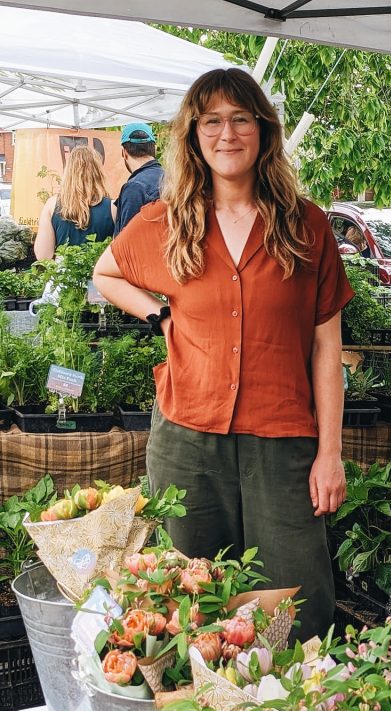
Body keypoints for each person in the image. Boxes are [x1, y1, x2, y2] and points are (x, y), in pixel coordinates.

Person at [93, 68, 353, 641]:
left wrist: (329, 454)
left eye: (240, 119)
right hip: (187, 439)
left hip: (282, 442)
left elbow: (326, 346)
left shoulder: (305, 226)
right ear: (193, 134)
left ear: (263, 131)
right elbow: (106, 272)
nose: (226, 133)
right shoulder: (166, 220)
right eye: (211, 121)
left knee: (296, 605)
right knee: (189, 595)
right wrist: (158, 314)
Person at [33, 146, 114, 260]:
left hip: (63, 275)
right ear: (98, 172)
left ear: (68, 171)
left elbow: (43, 255)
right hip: (99, 274)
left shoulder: (52, 205)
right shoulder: (113, 207)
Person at [114, 122, 163, 236]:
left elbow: (127, 243)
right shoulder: (175, 179)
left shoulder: (135, 188)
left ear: (124, 153)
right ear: (154, 149)